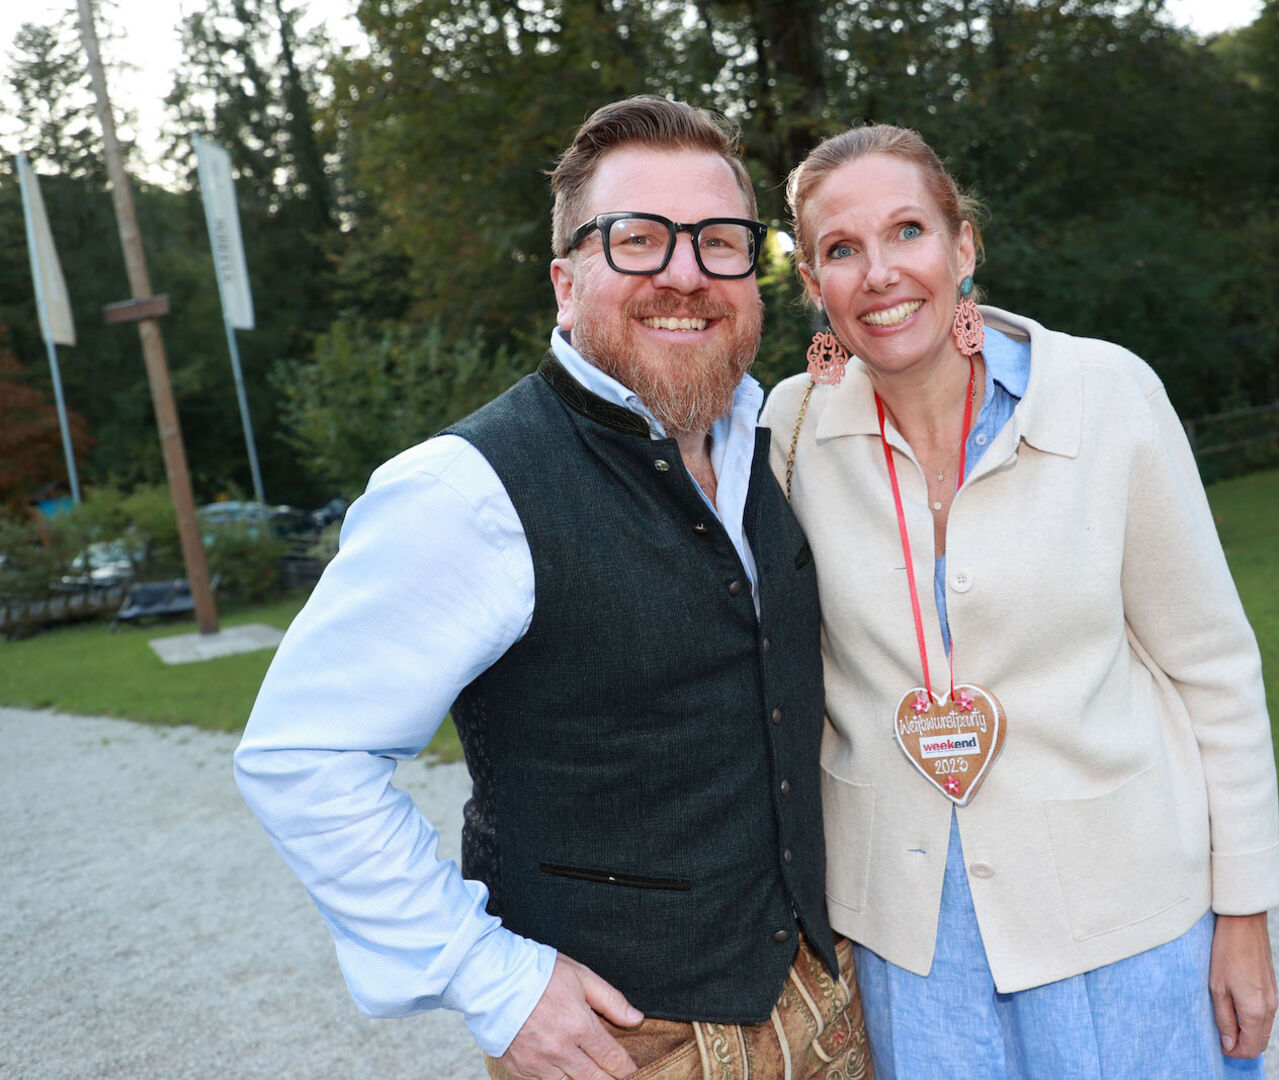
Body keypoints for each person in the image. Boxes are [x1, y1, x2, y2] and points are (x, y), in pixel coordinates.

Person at [236, 96, 868, 1080]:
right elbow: (302, 757)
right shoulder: (465, 489)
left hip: (827, 1007)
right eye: (638, 238)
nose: (685, 273)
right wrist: (489, 979)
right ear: (565, 283)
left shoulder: (772, 443)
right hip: (627, 1048)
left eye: (719, 242)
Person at [760, 124, 1279, 1079]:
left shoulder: (1106, 393)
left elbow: (1212, 666)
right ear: (813, 285)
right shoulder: (789, 428)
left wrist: (1243, 912)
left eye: (908, 231)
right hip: (913, 955)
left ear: (962, 246)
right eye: (840, 249)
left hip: (1128, 928)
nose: (879, 273)